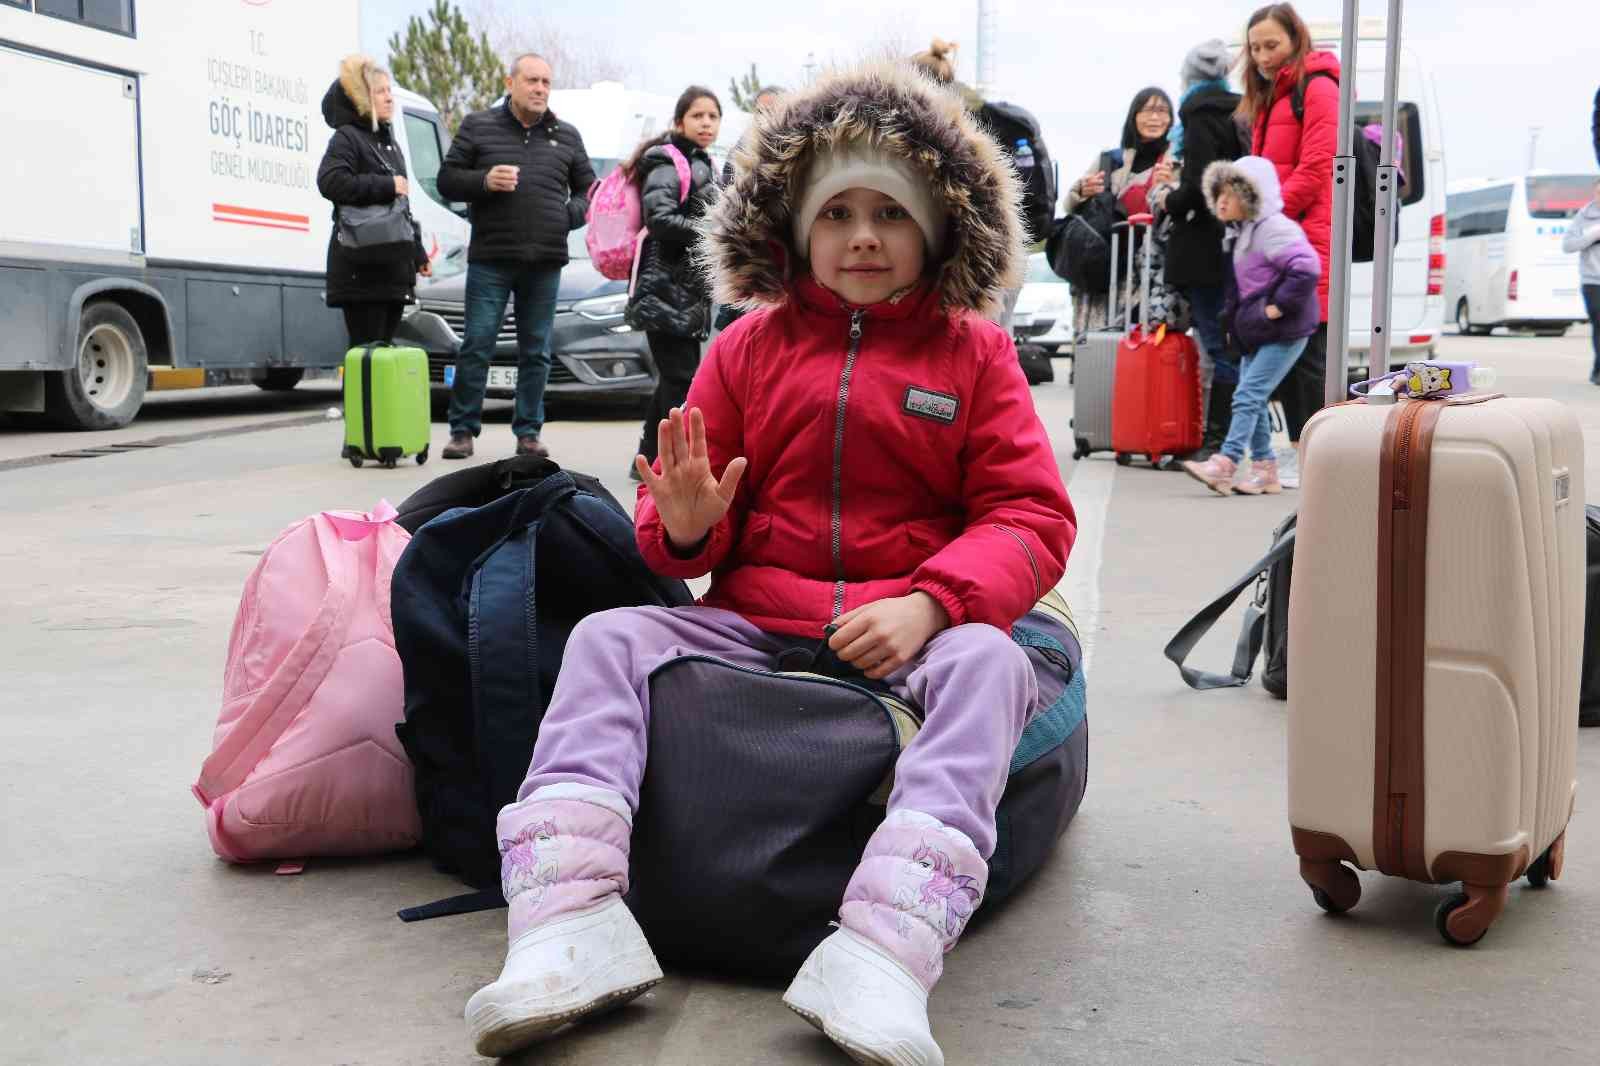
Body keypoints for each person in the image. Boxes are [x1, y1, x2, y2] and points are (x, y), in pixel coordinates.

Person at [462, 62, 1076, 1063]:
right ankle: (566, 928)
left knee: (993, 664)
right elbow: (674, 536)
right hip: (752, 616)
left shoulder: (973, 355)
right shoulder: (743, 349)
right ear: (794, 230)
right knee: (609, 636)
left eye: (891, 212)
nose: (864, 235)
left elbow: (1030, 515)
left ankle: (882, 953)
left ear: (936, 227)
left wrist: (930, 604)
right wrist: (690, 526)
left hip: (903, 625)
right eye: (838, 213)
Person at [435, 54, 596, 460]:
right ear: (510, 82)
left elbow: (590, 195)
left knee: (536, 350)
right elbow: (447, 181)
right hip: (491, 258)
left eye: (545, 81)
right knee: (477, 343)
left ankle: (528, 432)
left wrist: (564, 217)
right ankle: (462, 431)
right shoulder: (478, 127)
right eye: (532, 80)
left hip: (545, 260)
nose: (540, 88)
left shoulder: (567, 135)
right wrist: (484, 181)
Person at [1238, 2, 1338, 486]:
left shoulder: (1316, 88)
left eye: (1271, 45)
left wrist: (1270, 213)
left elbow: (1318, 166)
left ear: (1296, 40)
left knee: (1307, 346)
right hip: (1280, 232)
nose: (1262, 56)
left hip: (1302, 233)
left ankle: (1312, 454)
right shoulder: (1272, 95)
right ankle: (1289, 455)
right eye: (1255, 47)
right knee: (1282, 343)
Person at [1182, 157, 1320, 496]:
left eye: (1231, 193)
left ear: (1252, 195)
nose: (1222, 202)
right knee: (1252, 398)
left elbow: (1307, 267)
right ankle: (1265, 471)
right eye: (1218, 194)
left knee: (1247, 395)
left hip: (1284, 330)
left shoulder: (1274, 227)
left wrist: (1275, 308)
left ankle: (1225, 463)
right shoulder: (1241, 231)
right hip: (1257, 332)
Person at [623, 86, 722, 478]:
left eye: (713, 117)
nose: (706, 123)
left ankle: (646, 460)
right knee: (681, 379)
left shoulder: (702, 162)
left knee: (673, 379)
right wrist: (711, 230)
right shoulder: (668, 161)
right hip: (663, 287)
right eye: (698, 116)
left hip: (683, 289)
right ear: (680, 121)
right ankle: (664, 462)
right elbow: (659, 220)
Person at [1162, 39, 1245, 460]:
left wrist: (1168, 201)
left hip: (1204, 250)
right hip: (1236, 243)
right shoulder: (1239, 112)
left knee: (1216, 343)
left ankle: (1218, 445)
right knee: (1229, 342)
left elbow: (1197, 186)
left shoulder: (1197, 116)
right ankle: (1228, 442)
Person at [316, 55, 430, 348]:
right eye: (381, 92)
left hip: (392, 269)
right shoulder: (348, 138)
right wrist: (386, 184)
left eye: (390, 91)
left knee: (381, 361)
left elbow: (401, 209)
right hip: (361, 269)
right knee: (365, 359)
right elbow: (330, 181)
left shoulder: (390, 144)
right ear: (363, 98)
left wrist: (417, 254)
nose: (389, 98)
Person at [1065, 88, 1177, 336]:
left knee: (1139, 342)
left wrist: (1170, 187)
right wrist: (1081, 191)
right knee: (1096, 345)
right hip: (1104, 266)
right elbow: (1070, 208)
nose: (1155, 118)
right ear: (1134, 116)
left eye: (1162, 111)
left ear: (1171, 119)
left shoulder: (1177, 162)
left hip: (1149, 271)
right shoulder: (1110, 160)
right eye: (1148, 110)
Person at [711, 86, 784, 332]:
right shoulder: (743, 150)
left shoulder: (793, 143)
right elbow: (729, 207)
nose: (767, 116)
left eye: (773, 109)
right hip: (755, 250)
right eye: (761, 111)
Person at [1562, 178, 1600, 384]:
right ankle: (1599, 371)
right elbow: (1568, 245)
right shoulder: (1584, 216)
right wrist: (1593, 235)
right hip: (1593, 281)